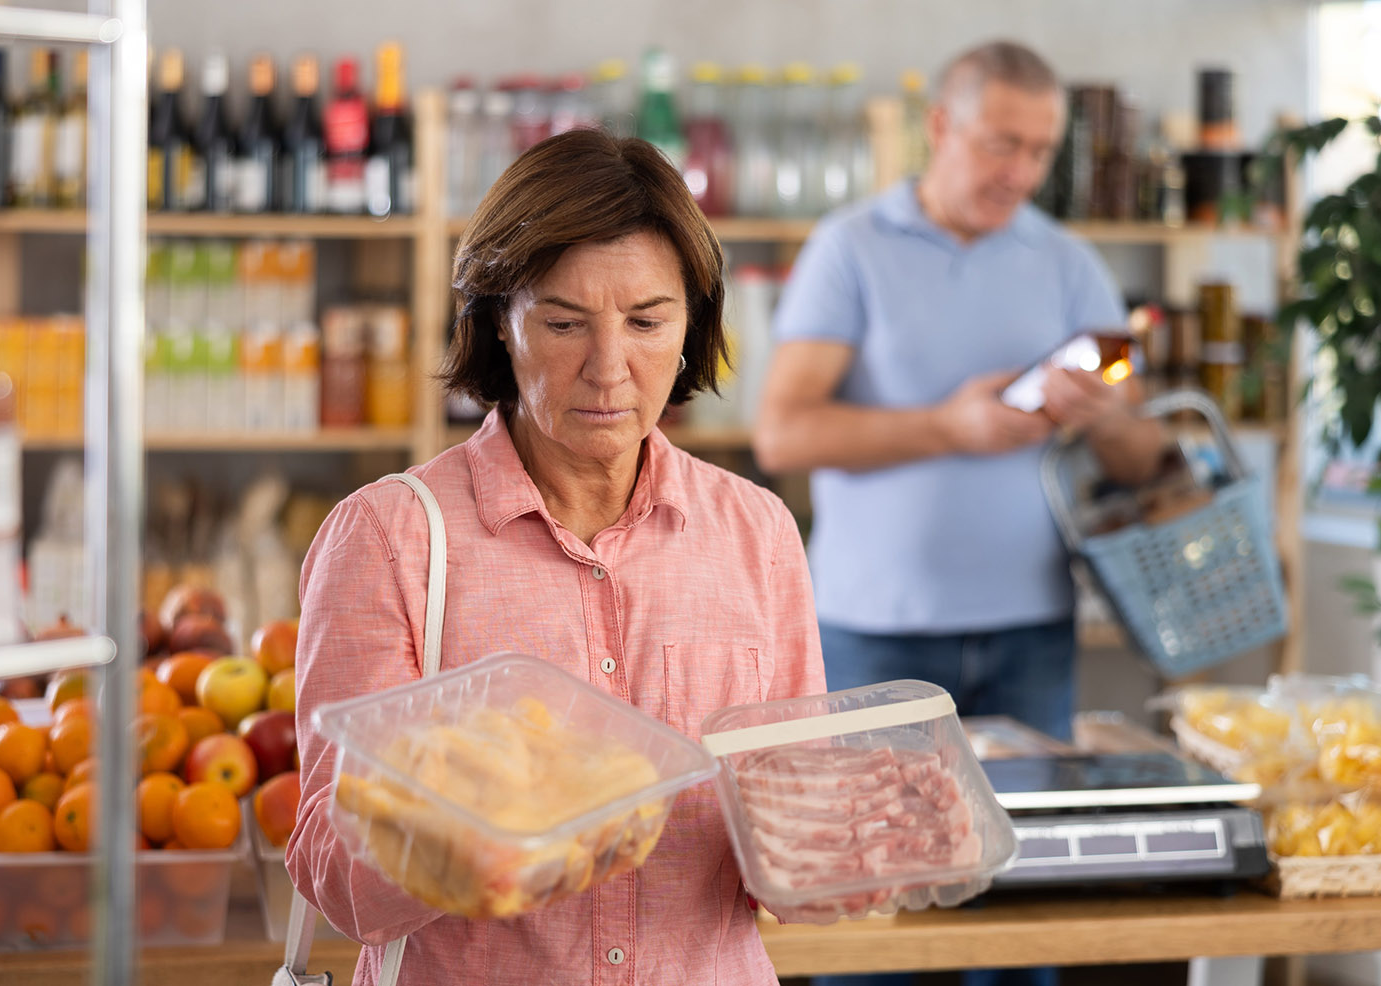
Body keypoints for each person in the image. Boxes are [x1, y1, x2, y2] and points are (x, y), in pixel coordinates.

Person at [287, 128, 825, 986]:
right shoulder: (390, 537)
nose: (608, 370)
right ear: (498, 323)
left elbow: (791, 833)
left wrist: (833, 852)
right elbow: (329, 871)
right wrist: (455, 846)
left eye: (647, 321)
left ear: (693, 326)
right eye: (564, 323)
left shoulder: (756, 531)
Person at [753, 41, 1163, 986]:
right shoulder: (849, 248)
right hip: (870, 638)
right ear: (940, 127)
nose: (1016, 172)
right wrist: (951, 426)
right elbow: (783, 434)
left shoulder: (1066, 263)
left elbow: (1140, 458)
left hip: (1028, 633)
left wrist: (1107, 421)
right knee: (871, 920)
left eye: (1036, 151)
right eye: (998, 144)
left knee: (1019, 920)